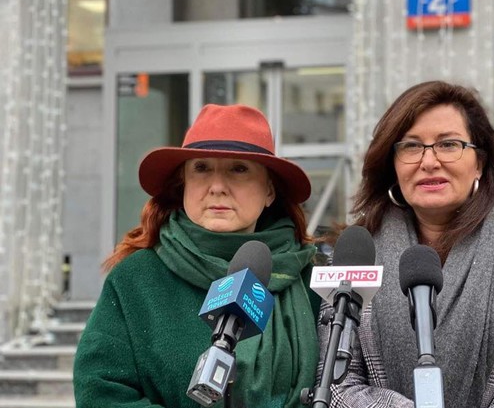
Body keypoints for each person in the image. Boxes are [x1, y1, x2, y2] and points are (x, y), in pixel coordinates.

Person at [318, 81, 494, 407]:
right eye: (412, 146)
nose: (429, 161)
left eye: (448, 144)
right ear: (393, 164)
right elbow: (335, 384)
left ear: (479, 162)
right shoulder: (356, 252)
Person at [74, 104, 321, 408]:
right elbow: (100, 391)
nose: (217, 187)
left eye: (239, 169)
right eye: (201, 168)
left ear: (269, 190)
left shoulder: (310, 282)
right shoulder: (136, 279)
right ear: (184, 184)